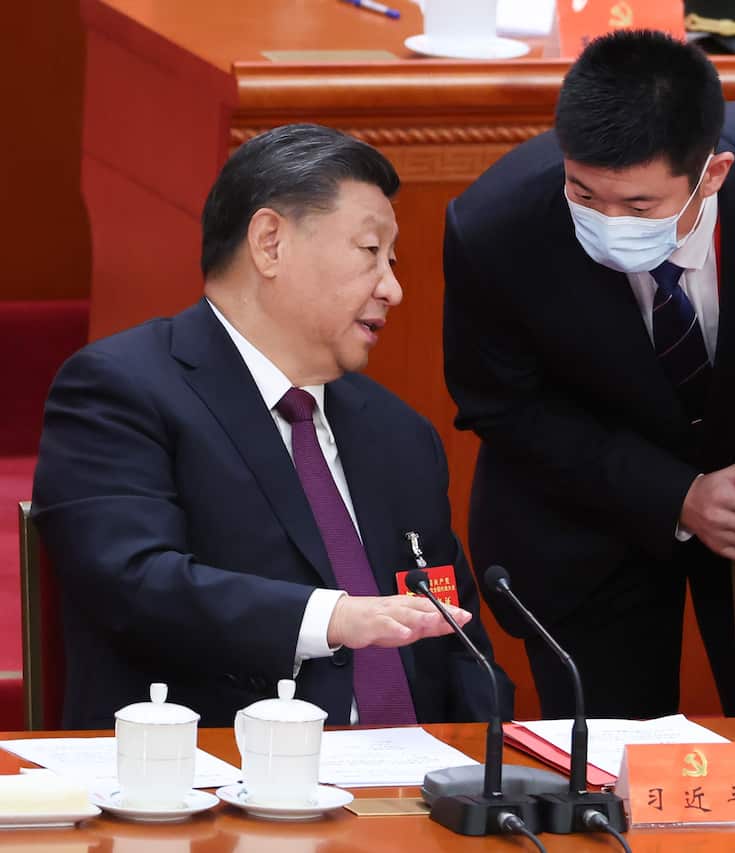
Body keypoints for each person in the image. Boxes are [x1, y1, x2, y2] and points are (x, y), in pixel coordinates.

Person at [442, 29, 735, 718]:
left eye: (639, 207)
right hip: (590, 519)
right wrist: (678, 494)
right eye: (584, 194)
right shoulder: (494, 226)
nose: (608, 223)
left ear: (714, 173)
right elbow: (499, 404)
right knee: (611, 773)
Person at [33, 124, 511, 729]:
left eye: (392, 262)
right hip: (218, 781)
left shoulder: (400, 433)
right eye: (370, 252)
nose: (393, 288)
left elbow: (455, 639)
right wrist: (331, 620)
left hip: (417, 791)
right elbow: (134, 583)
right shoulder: (122, 389)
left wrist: (483, 765)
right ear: (270, 243)